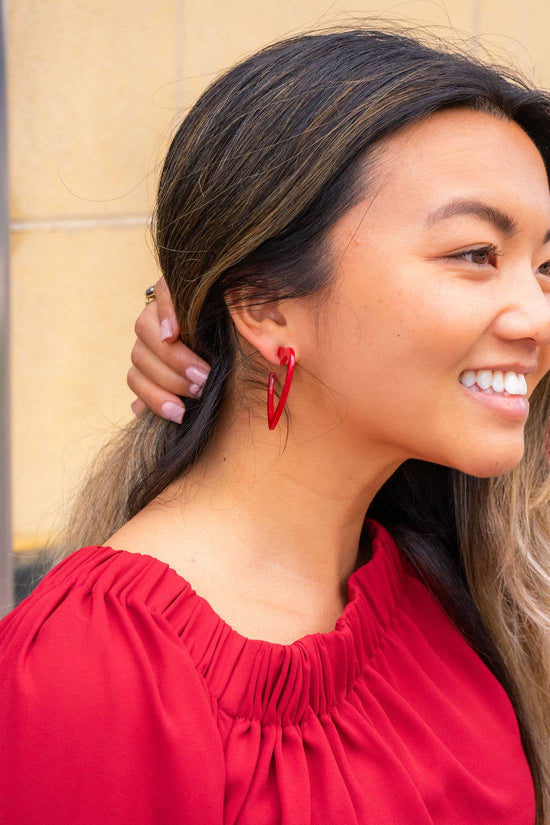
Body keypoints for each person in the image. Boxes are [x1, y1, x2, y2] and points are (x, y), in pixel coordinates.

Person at [1, 25, 550, 825]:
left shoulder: (439, 588)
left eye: (545, 266)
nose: (538, 316)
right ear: (263, 302)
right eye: (474, 253)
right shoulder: (92, 671)